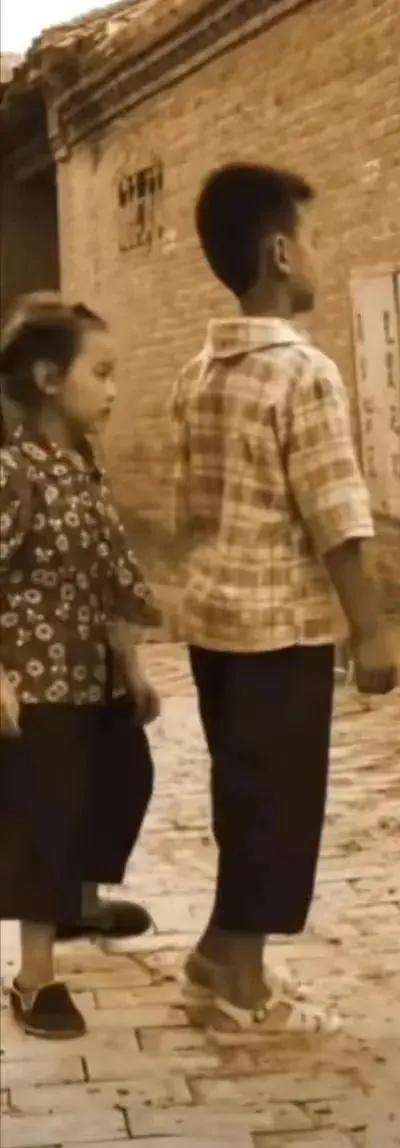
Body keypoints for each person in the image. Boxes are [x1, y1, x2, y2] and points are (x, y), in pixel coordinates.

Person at [171, 163, 381, 1033]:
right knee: (282, 807)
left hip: (214, 624)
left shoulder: (197, 373)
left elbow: (188, 508)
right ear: (282, 254)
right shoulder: (305, 373)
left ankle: (216, 953)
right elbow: (336, 514)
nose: (320, 254)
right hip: (281, 630)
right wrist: (371, 631)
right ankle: (244, 987)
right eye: (313, 238)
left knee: (243, 798)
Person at [0, 294, 160, 1038]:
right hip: (38, 680)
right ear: (47, 379)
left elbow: (109, 568)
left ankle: (81, 904)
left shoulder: (82, 465)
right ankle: (34, 980)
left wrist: (131, 662)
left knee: (123, 780)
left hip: (94, 671)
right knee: (47, 817)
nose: (113, 390)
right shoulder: (15, 473)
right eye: (100, 372)